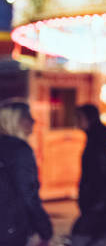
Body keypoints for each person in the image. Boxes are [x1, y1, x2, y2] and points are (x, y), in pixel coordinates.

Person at [0, 99, 53, 246]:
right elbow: (28, 194)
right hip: (11, 230)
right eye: (27, 117)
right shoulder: (19, 150)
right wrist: (45, 230)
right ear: (14, 121)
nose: (33, 121)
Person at [71, 104, 106, 246]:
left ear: (89, 119)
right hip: (94, 199)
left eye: (79, 117)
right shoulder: (94, 138)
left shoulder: (97, 141)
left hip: (96, 200)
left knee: (83, 236)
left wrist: (96, 199)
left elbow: (101, 173)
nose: (77, 121)